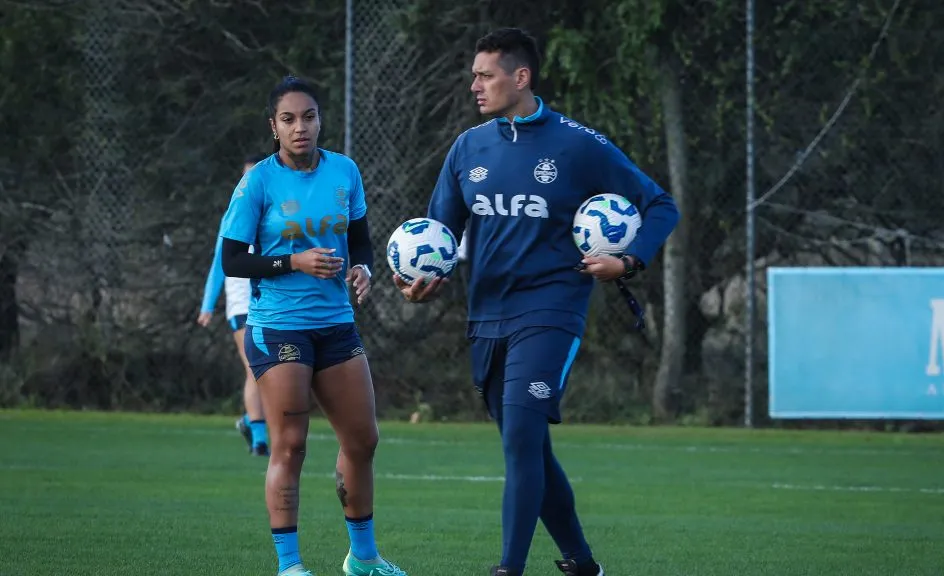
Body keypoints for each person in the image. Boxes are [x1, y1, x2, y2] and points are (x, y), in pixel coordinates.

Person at [393, 28, 680, 576]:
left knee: (523, 436)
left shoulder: (578, 144)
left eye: (485, 74)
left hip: (552, 310)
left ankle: (508, 569)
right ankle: (583, 562)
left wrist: (629, 260)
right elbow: (439, 239)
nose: (474, 84)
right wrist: (422, 283)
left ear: (519, 77)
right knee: (531, 452)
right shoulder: (467, 148)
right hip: (487, 314)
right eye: (473, 74)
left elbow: (660, 205)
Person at [220, 75, 408, 576]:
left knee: (363, 440)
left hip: (336, 324)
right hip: (280, 327)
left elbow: (362, 239)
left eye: (308, 116)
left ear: (320, 121)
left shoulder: (345, 171)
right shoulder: (258, 180)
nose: (300, 127)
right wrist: (294, 263)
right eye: (288, 119)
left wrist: (363, 267)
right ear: (273, 128)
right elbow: (233, 260)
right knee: (291, 444)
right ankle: (291, 566)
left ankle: (363, 559)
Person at [198, 153, 270, 456]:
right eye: (246, 175)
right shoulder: (236, 213)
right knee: (255, 369)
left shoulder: (279, 212)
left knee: (275, 372)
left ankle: (250, 421)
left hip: (273, 303)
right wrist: (207, 304)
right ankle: (260, 439)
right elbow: (219, 262)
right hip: (242, 304)